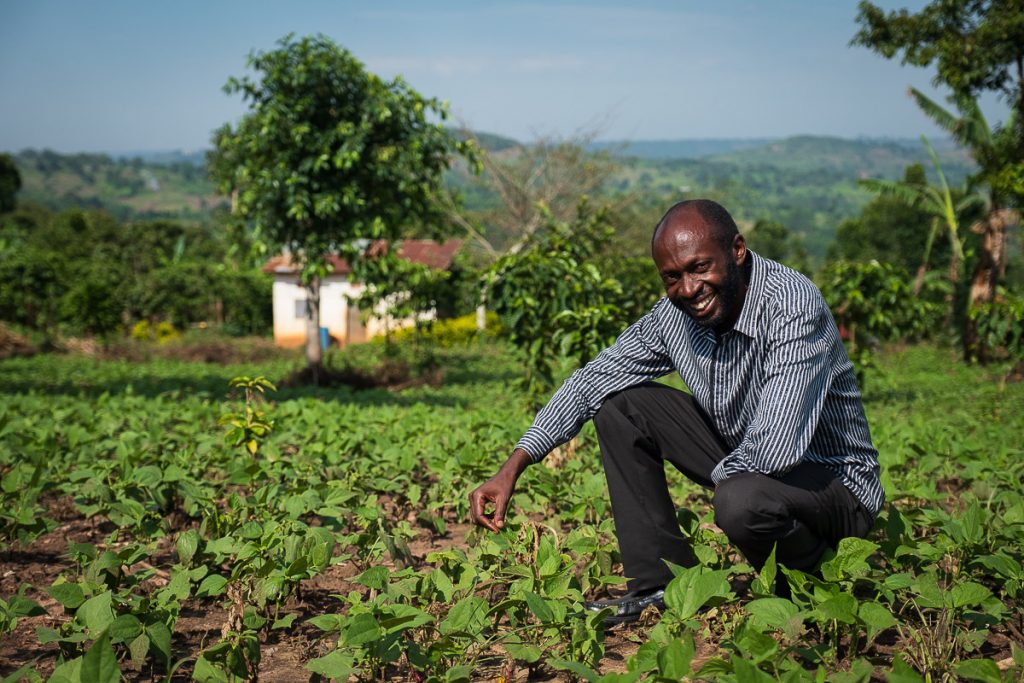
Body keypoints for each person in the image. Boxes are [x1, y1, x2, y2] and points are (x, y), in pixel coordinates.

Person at [468, 199, 883, 623]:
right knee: (619, 405)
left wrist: (724, 491)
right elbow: (592, 379)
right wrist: (514, 465)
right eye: (672, 277)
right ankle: (659, 586)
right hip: (747, 462)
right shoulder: (674, 316)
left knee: (741, 501)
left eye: (700, 268)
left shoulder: (791, 305)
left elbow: (775, 449)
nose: (688, 289)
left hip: (834, 486)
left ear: (737, 251)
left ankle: (817, 581)